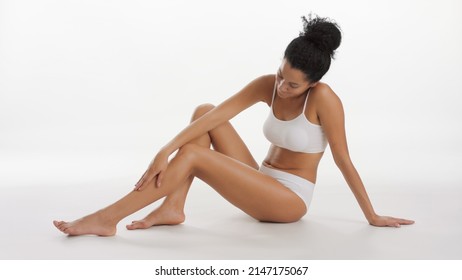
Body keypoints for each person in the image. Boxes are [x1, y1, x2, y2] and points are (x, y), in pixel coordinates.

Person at [53, 14, 414, 236]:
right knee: (204, 110)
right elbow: (215, 117)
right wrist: (162, 151)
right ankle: (172, 207)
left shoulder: (325, 100)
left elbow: (343, 160)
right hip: (260, 177)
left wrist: (372, 215)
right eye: (279, 76)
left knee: (194, 155)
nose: (281, 88)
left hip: (288, 201)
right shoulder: (267, 85)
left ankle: (106, 218)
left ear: (312, 84)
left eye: (293, 85)